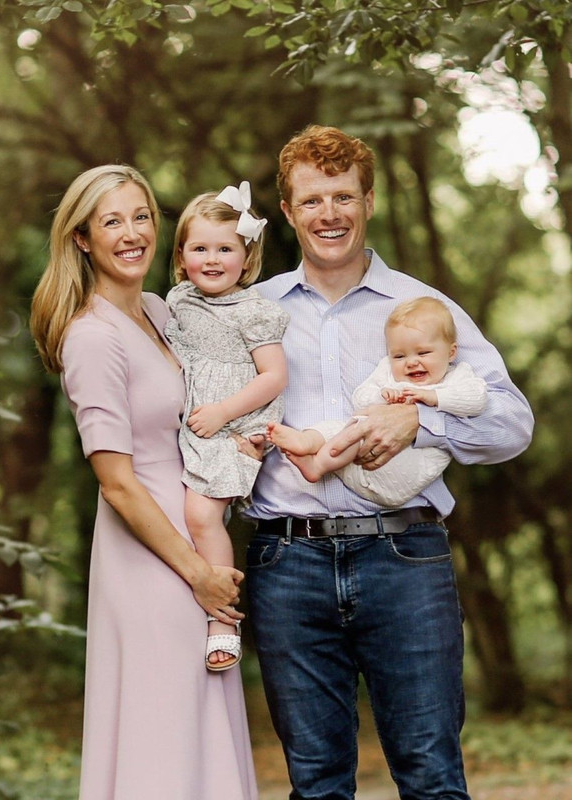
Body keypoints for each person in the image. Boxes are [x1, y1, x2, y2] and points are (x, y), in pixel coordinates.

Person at [244, 125, 534, 800]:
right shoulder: (251, 313)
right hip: (286, 565)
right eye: (312, 200)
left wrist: (421, 420)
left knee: (431, 776)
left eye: (342, 196)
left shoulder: (421, 310)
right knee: (315, 786)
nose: (329, 214)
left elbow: (513, 423)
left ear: (368, 201)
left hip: (405, 558)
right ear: (287, 212)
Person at [30, 165, 258, 800]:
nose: (131, 234)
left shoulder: (159, 311)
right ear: (82, 239)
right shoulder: (92, 336)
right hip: (153, 556)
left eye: (140, 217)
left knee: (200, 720)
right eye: (111, 221)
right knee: (164, 728)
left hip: (192, 538)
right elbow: (116, 482)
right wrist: (196, 571)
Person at [164, 182, 289, 671]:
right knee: (179, 518)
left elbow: (275, 377)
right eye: (200, 248)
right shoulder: (179, 301)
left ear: (246, 256)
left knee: (201, 517)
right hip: (190, 428)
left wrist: (223, 414)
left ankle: (224, 619)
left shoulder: (255, 311)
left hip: (234, 425)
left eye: (224, 248)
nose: (212, 259)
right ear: (181, 256)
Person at [267, 296, 488, 507]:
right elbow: (361, 398)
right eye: (399, 356)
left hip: (407, 472)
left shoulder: (457, 376)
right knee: (345, 428)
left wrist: (434, 398)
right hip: (363, 467)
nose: (411, 362)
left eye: (423, 352)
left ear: (451, 353)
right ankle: (311, 450)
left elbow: (477, 400)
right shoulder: (388, 373)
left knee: (357, 431)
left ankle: (318, 460)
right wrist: (383, 395)